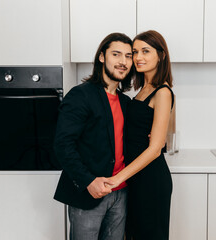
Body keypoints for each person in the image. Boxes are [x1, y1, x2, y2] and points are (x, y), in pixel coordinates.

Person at [53, 32, 134, 240]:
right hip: (89, 193)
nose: (123, 62)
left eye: (128, 56)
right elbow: (63, 145)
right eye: (116, 54)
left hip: (121, 192)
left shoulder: (126, 103)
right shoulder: (81, 95)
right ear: (102, 57)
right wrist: (88, 181)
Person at [107, 30, 174, 240]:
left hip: (151, 180)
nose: (138, 58)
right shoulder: (143, 90)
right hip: (136, 178)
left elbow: (155, 148)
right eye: (135, 52)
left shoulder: (162, 92)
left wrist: (117, 179)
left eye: (146, 51)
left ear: (161, 55)